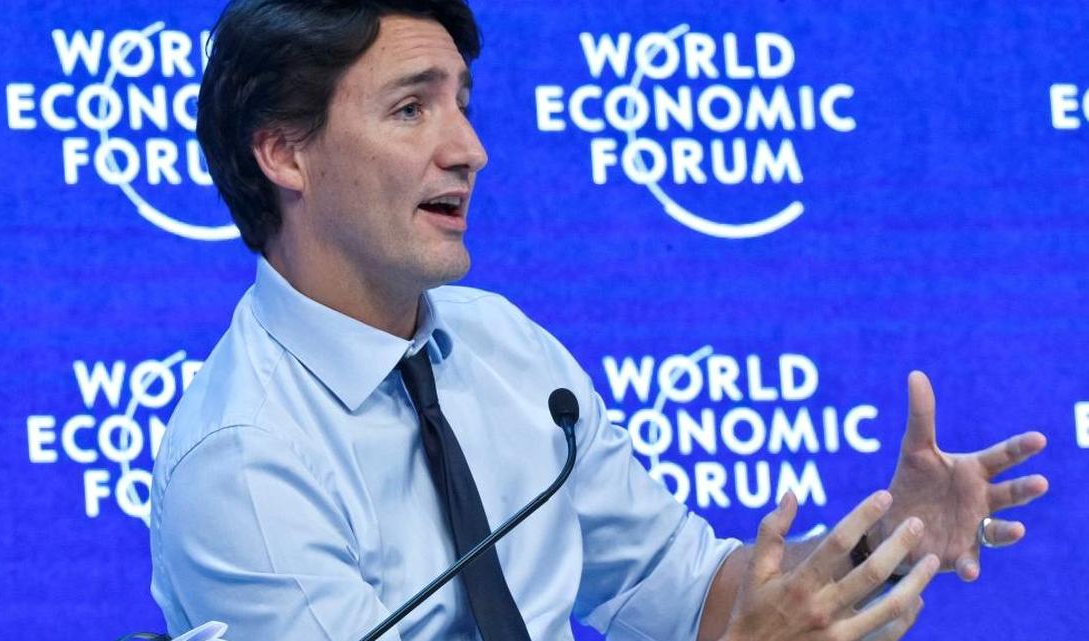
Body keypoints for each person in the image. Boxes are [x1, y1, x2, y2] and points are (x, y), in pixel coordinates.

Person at [150, 1, 1050, 640]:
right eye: (412, 107)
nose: (468, 149)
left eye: (462, 101)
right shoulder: (244, 460)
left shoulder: (499, 343)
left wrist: (885, 548)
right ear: (282, 152)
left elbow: (685, 591)